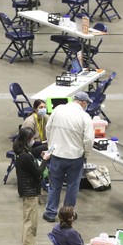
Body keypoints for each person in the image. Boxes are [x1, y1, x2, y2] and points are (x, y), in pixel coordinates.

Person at [43, 92, 93, 223]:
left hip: (57, 154)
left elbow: (48, 128)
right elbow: (89, 139)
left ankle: (50, 213)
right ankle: (67, 215)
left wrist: (51, 145)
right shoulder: (85, 116)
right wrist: (86, 154)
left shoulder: (58, 109)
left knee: (54, 185)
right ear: (83, 102)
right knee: (72, 186)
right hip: (75, 156)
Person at [14, 127, 44, 245]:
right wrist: (46, 160)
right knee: (30, 221)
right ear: (27, 139)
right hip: (29, 191)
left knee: (33, 220)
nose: (34, 140)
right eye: (32, 138)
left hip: (29, 190)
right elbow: (38, 172)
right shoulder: (25, 156)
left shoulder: (23, 153)